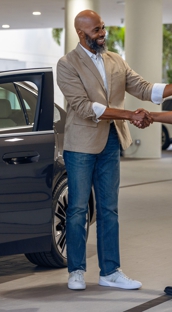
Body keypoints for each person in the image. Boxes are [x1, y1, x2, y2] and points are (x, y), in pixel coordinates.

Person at [57, 9, 172, 291]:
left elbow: (144, 88)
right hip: (81, 145)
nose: (102, 33)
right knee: (77, 210)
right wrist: (129, 114)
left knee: (109, 208)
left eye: (102, 27)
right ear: (82, 34)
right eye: (96, 30)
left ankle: (110, 271)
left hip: (111, 141)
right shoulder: (66, 64)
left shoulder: (115, 60)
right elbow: (86, 108)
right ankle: (77, 271)